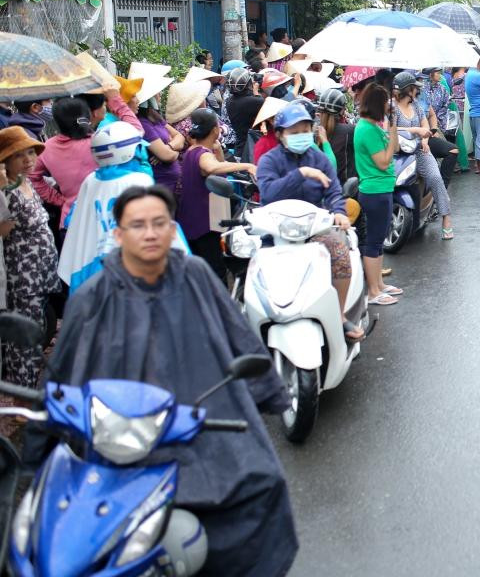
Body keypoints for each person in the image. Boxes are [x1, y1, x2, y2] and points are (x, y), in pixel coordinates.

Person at [44, 184, 298, 576]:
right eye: (138, 225)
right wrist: (41, 453)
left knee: (261, 486)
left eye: (159, 223)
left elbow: (238, 336)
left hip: (205, 419)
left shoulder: (195, 273)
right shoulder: (92, 297)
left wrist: (270, 393)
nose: (149, 233)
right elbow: (63, 374)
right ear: (117, 234)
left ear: (172, 228)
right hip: (126, 437)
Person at [256, 101, 361, 337]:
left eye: (305, 131)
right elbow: (268, 192)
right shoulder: (269, 161)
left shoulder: (319, 158)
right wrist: (300, 174)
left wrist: (339, 212)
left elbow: (334, 190)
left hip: (314, 230)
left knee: (342, 253)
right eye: (294, 132)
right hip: (277, 233)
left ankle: (339, 313)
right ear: (280, 134)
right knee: (253, 269)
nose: (301, 136)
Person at [57, 121, 187, 293]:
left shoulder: (90, 180)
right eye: (138, 148)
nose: (142, 153)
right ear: (128, 152)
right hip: (134, 275)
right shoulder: (139, 181)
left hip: (92, 275)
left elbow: (76, 227)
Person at [31, 89, 143, 234]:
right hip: (103, 221)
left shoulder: (47, 148)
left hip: (69, 223)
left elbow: (32, 176)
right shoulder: (98, 142)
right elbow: (136, 132)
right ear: (87, 114)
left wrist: (60, 199)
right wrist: (115, 100)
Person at [0, 127, 56, 388]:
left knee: (37, 326)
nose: (27, 160)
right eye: (18, 156)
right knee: (23, 333)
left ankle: (30, 384)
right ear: (5, 161)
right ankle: (22, 390)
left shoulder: (26, 182)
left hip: (39, 270)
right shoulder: (6, 192)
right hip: (22, 274)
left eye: (31, 153)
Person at [178, 108, 255, 279]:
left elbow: (219, 166)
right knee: (215, 273)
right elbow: (212, 167)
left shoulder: (193, 150)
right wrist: (247, 166)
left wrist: (218, 148)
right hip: (204, 225)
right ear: (215, 130)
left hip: (195, 220)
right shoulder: (202, 154)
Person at [354, 83, 402, 305]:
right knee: (373, 240)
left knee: (379, 238)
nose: (387, 106)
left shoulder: (374, 127)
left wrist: (392, 129)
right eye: (385, 102)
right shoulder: (366, 129)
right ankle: (373, 291)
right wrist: (392, 132)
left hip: (382, 188)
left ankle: (379, 285)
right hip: (374, 190)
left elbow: (397, 148)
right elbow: (383, 162)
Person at [392, 73, 453, 240]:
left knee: (435, 177)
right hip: (397, 151)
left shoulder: (416, 106)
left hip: (419, 150)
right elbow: (390, 130)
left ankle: (446, 218)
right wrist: (415, 131)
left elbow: (425, 123)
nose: (416, 90)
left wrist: (425, 138)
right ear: (408, 90)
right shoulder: (392, 108)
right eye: (414, 88)